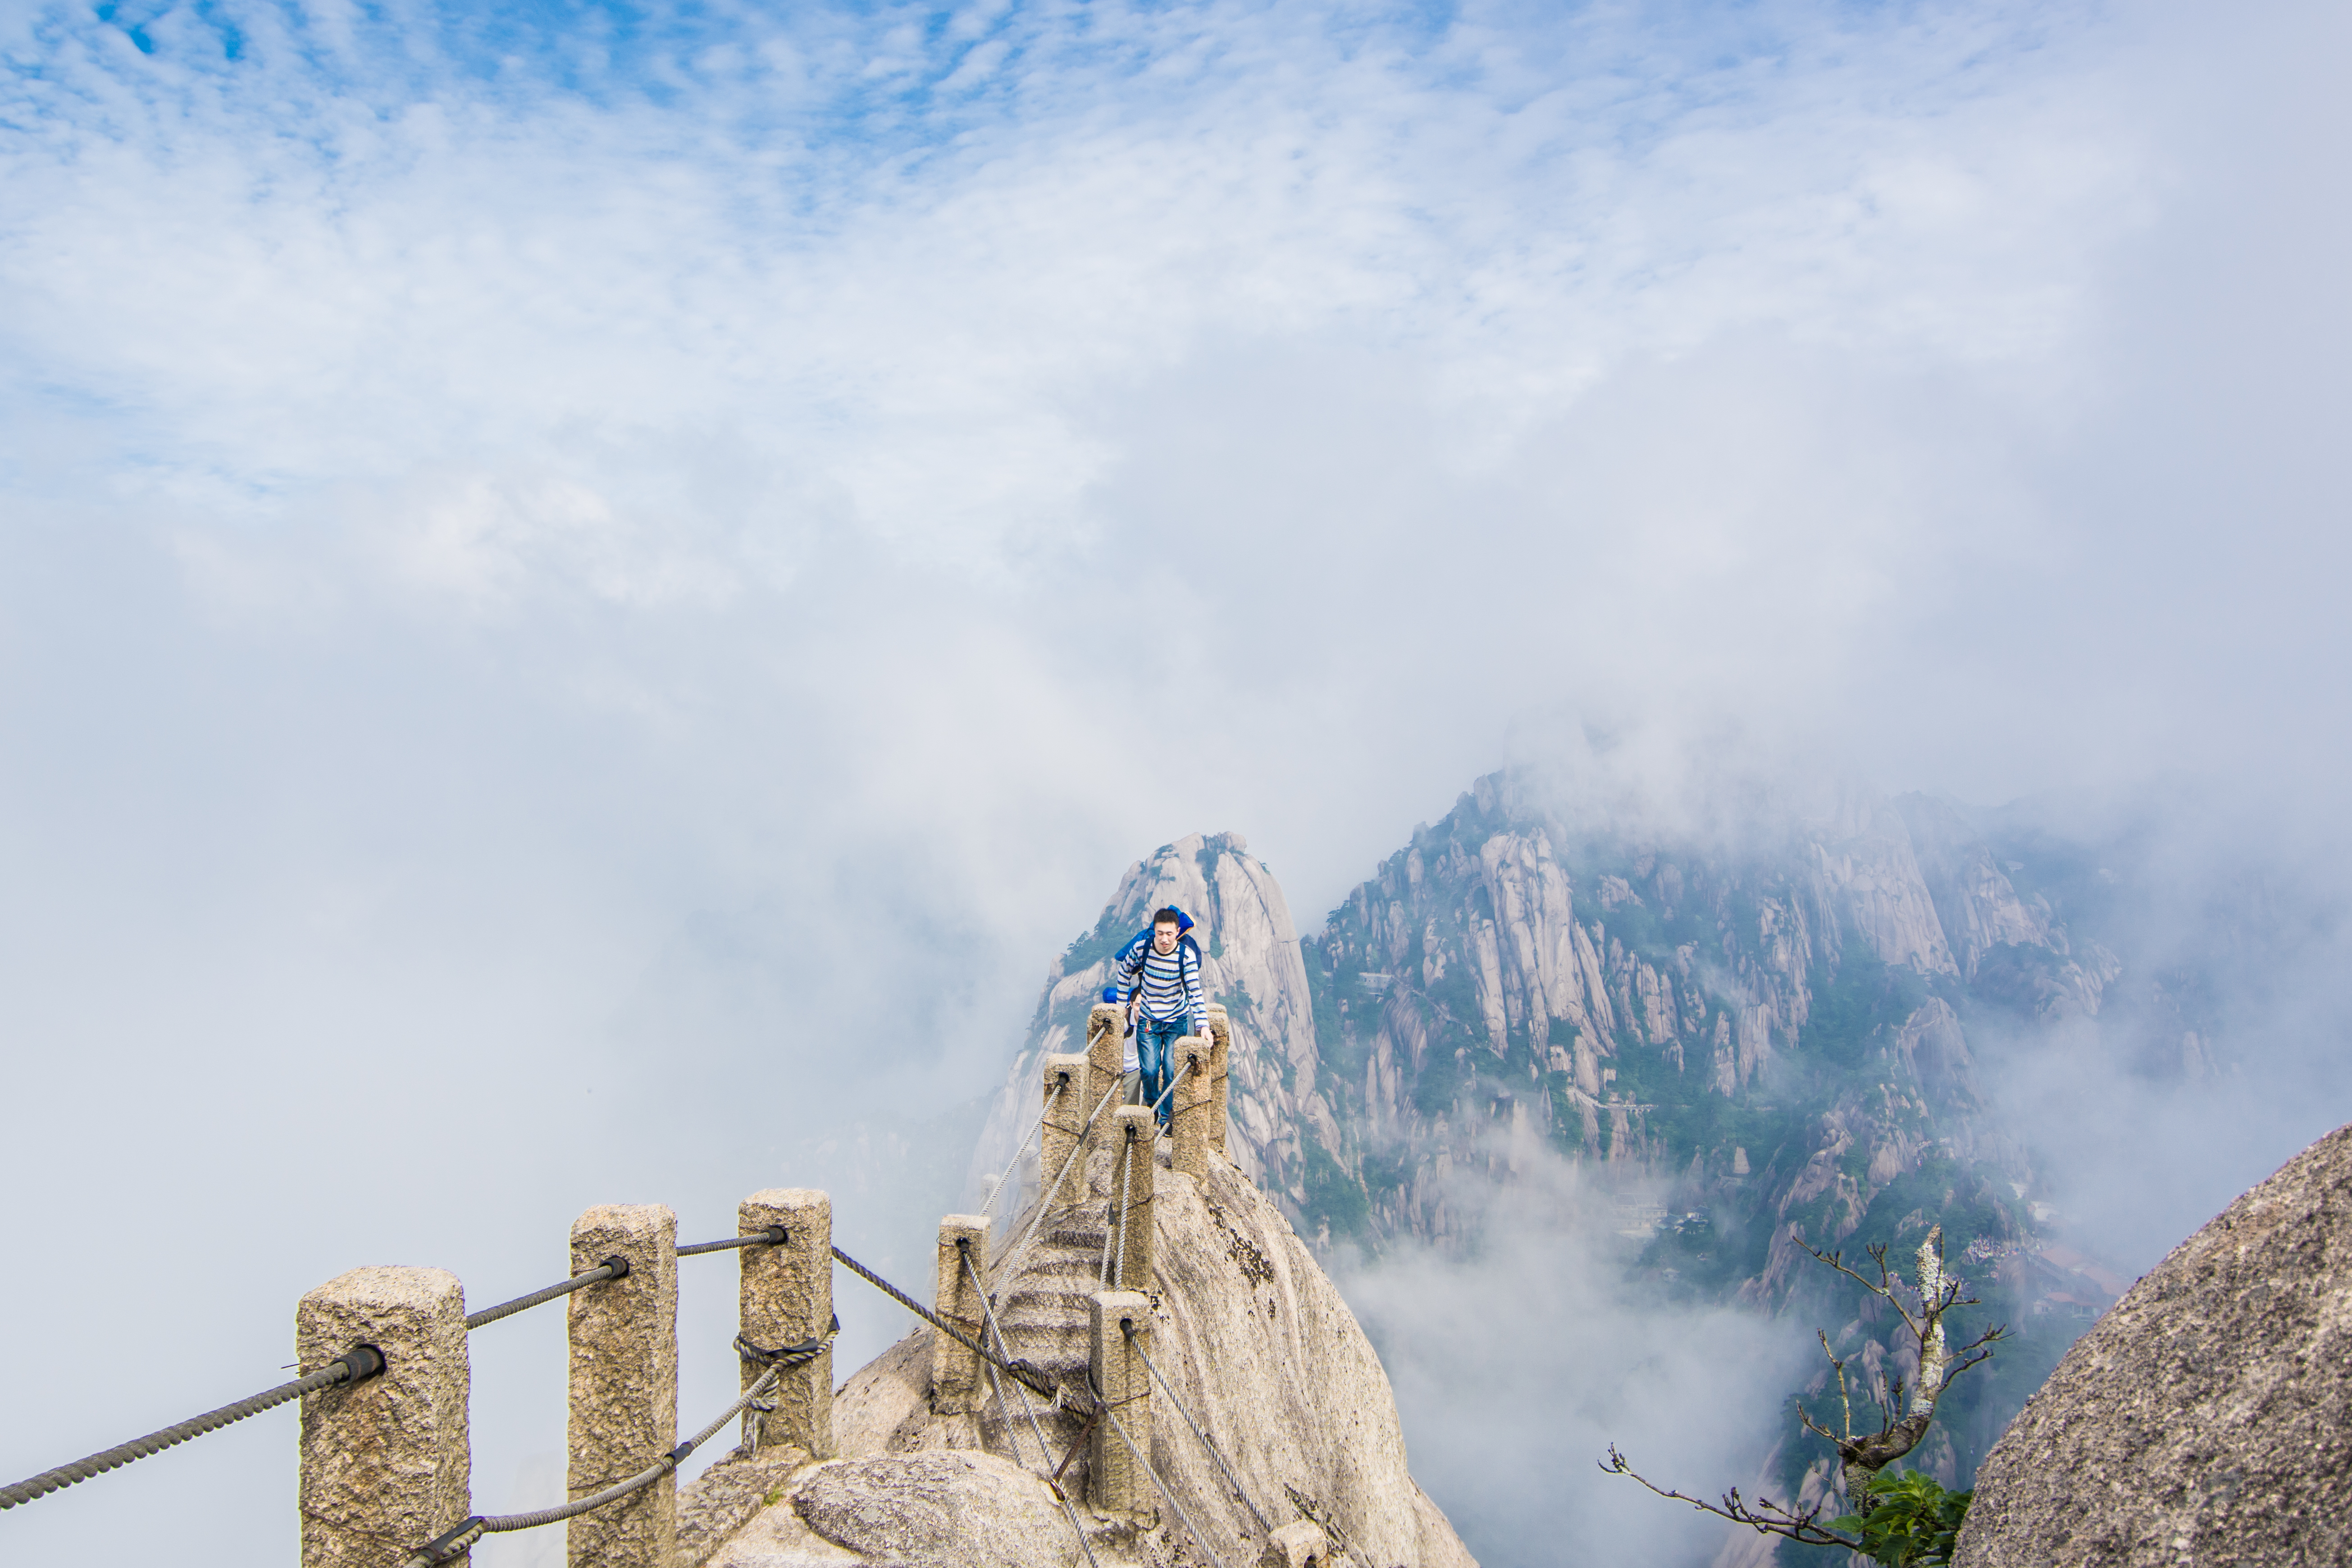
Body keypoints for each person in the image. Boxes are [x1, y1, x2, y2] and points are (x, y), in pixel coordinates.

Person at [1111, 906, 1207, 1132]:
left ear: (1177, 933)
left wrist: (1203, 1025)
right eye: (1160, 933)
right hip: (1148, 1019)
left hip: (1176, 1019)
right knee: (1151, 1070)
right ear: (1154, 931)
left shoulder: (1186, 956)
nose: (1165, 939)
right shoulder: (1142, 948)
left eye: (1170, 934)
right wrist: (1122, 1005)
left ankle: (1166, 1118)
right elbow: (1124, 972)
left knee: (1171, 1069)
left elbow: (1195, 991)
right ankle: (1153, 1107)